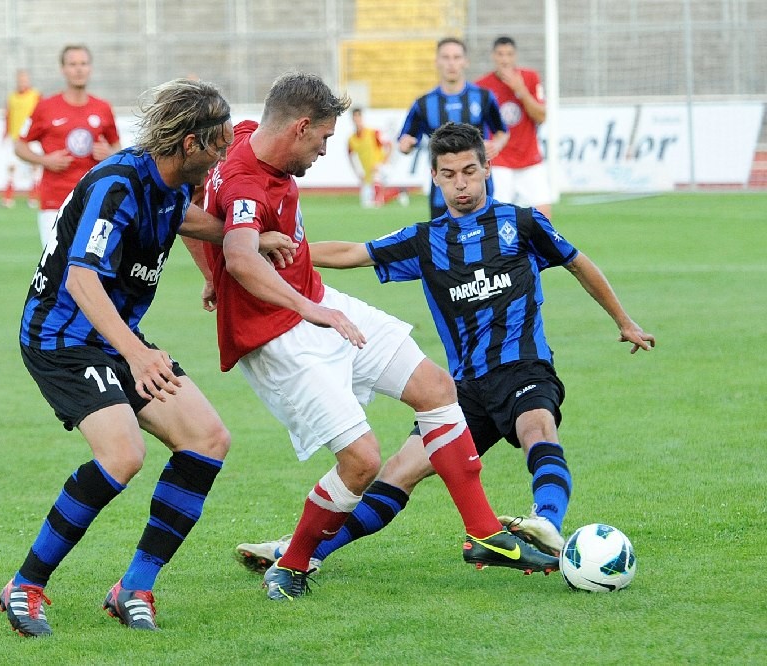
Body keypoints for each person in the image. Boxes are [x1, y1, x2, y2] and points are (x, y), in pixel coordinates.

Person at [234, 122, 656, 575]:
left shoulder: (522, 223)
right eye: (450, 174)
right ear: (434, 177)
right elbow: (354, 253)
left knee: (537, 426)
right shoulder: (425, 240)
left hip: (523, 367)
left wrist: (624, 321)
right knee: (399, 471)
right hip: (462, 391)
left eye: (470, 172)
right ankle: (305, 552)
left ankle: (546, 523)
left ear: (487, 169)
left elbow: (578, 263)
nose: (461, 184)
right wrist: (269, 249)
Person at [202, 72, 558, 602]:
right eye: (324, 138)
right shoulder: (246, 182)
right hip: (277, 334)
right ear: (300, 127)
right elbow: (240, 257)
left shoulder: (245, 135)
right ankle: (292, 565)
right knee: (363, 461)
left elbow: (191, 205)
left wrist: (209, 273)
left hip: (317, 300)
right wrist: (294, 302)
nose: (326, 150)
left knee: (435, 387)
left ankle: (485, 534)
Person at [0, 78, 295, 636]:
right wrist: (137, 355)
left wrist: (244, 243)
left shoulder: (173, 182)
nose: (222, 157)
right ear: (189, 143)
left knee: (208, 439)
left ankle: (134, 587)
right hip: (62, 337)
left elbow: (182, 219)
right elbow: (81, 280)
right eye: (217, 146)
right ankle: (25, 584)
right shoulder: (117, 183)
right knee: (122, 454)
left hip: (115, 336)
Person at [15, 44, 121, 248]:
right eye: (73, 64)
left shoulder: (103, 108)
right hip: (55, 203)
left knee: (92, 264)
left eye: (83, 63)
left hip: (94, 201)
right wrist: (44, 160)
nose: (79, 69)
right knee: (57, 264)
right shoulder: (45, 107)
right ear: (63, 69)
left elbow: (117, 146)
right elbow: (19, 145)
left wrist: (110, 154)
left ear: (90, 68)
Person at [398, 37, 509, 220]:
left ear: (465, 61)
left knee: (484, 236)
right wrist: (406, 145)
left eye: (457, 57)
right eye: (446, 57)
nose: (451, 63)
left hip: (480, 188)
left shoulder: (483, 97)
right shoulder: (423, 103)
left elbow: (502, 132)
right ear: (437, 61)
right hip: (441, 192)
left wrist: (495, 145)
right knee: (444, 237)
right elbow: (406, 139)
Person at [476, 36, 553, 218]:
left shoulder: (530, 78)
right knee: (500, 217)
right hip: (499, 160)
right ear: (493, 56)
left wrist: (521, 90)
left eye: (509, 54)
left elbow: (541, 117)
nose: (505, 60)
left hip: (529, 157)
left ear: (515, 56)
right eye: (500, 54)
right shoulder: (482, 86)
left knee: (544, 216)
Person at [1, 69, 41, 209]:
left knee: (34, 167)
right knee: (11, 167)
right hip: (15, 138)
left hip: (32, 138)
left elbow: (41, 115)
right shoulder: (11, 97)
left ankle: (33, 197)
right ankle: (8, 198)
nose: (22, 82)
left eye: (24, 80)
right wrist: (5, 133)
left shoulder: (35, 95)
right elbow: (8, 116)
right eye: (20, 80)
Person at [346, 108, 389, 208]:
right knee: (366, 203)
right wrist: (358, 173)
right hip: (367, 174)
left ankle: (379, 198)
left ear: (362, 118)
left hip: (380, 169)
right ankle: (398, 193)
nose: (357, 120)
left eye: (359, 117)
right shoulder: (351, 139)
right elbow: (351, 157)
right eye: (355, 117)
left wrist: (383, 163)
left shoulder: (373, 133)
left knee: (376, 180)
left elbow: (389, 145)